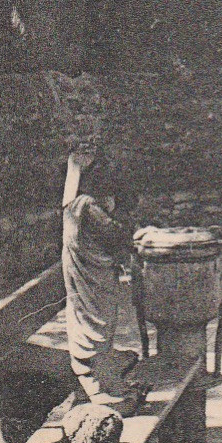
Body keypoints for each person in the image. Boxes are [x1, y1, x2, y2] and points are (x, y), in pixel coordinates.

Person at [61, 152, 136, 411]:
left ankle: (102, 370)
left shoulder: (82, 205)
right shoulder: (85, 207)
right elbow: (116, 235)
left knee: (103, 321)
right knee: (96, 324)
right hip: (92, 279)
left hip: (97, 275)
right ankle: (99, 382)